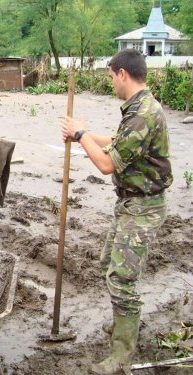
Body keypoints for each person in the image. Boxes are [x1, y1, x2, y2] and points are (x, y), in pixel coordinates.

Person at [60, 48, 173, 375]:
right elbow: (115, 141)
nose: (110, 83)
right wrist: (79, 133)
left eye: (111, 76)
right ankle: (124, 327)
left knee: (121, 279)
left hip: (143, 207)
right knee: (108, 264)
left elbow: (107, 163)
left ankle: (122, 352)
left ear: (123, 73)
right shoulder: (138, 109)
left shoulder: (142, 114)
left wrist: (80, 136)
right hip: (130, 203)